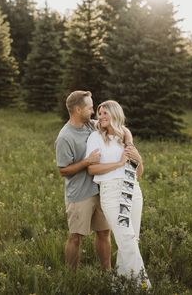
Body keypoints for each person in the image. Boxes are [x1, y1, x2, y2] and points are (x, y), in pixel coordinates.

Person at [85, 100, 151, 288]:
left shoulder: (125, 136)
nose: (102, 117)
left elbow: (138, 174)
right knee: (127, 239)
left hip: (132, 190)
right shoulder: (96, 137)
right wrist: (118, 163)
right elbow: (91, 170)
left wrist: (139, 160)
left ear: (115, 114)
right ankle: (143, 287)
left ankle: (120, 285)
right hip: (111, 192)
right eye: (99, 113)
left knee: (130, 240)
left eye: (106, 113)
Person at [55, 90, 111, 270]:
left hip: (99, 190)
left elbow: (112, 124)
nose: (93, 111)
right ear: (78, 109)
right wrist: (87, 162)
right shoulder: (65, 137)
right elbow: (63, 171)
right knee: (76, 237)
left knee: (104, 233)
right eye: (89, 107)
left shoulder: (90, 125)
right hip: (79, 195)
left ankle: (107, 272)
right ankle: (71, 276)